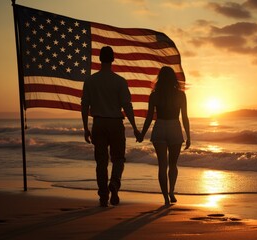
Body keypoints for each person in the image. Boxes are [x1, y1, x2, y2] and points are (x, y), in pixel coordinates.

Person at [81, 46, 141, 207]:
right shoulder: (119, 81)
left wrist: (85, 127)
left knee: (101, 162)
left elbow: (84, 104)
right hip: (115, 123)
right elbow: (127, 106)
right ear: (113, 59)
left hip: (99, 123)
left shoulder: (90, 81)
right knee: (118, 158)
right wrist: (135, 127)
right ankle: (114, 183)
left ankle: (103, 196)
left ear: (100, 59)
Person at [139, 66, 190, 205]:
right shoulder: (180, 95)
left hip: (160, 127)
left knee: (162, 165)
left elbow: (149, 117)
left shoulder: (155, 94)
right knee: (173, 164)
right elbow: (185, 117)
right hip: (174, 127)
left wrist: (142, 134)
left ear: (160, 78)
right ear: (173, 78)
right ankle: (171, 191)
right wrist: (188, 136)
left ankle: (166, 198)